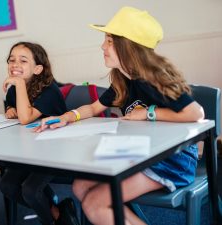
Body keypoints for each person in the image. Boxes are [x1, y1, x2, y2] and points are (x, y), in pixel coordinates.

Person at [35, 6, 204, 225]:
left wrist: (147, 113)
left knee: (94, 204)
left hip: (171, 160)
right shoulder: (123, 80)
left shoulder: (155, 77)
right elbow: (94, 108)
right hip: (140, 154)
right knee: (80, 186)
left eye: (109, 41)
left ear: (128, 47)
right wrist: (67, 116)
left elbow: (195, 113)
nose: (102, 46)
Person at [0, 41, 79, 225]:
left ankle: (51, 220)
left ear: (37, 69)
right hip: (32, 150)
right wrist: (11, 108)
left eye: (23, 60)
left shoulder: (49, 90)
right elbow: (18, 110)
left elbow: (26, 118)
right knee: (7, 185)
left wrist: (18, 84)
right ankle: (57, 213)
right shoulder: (15, 90)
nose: (15, 64)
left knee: (30, 190)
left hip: (57, 150)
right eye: (11, 60)